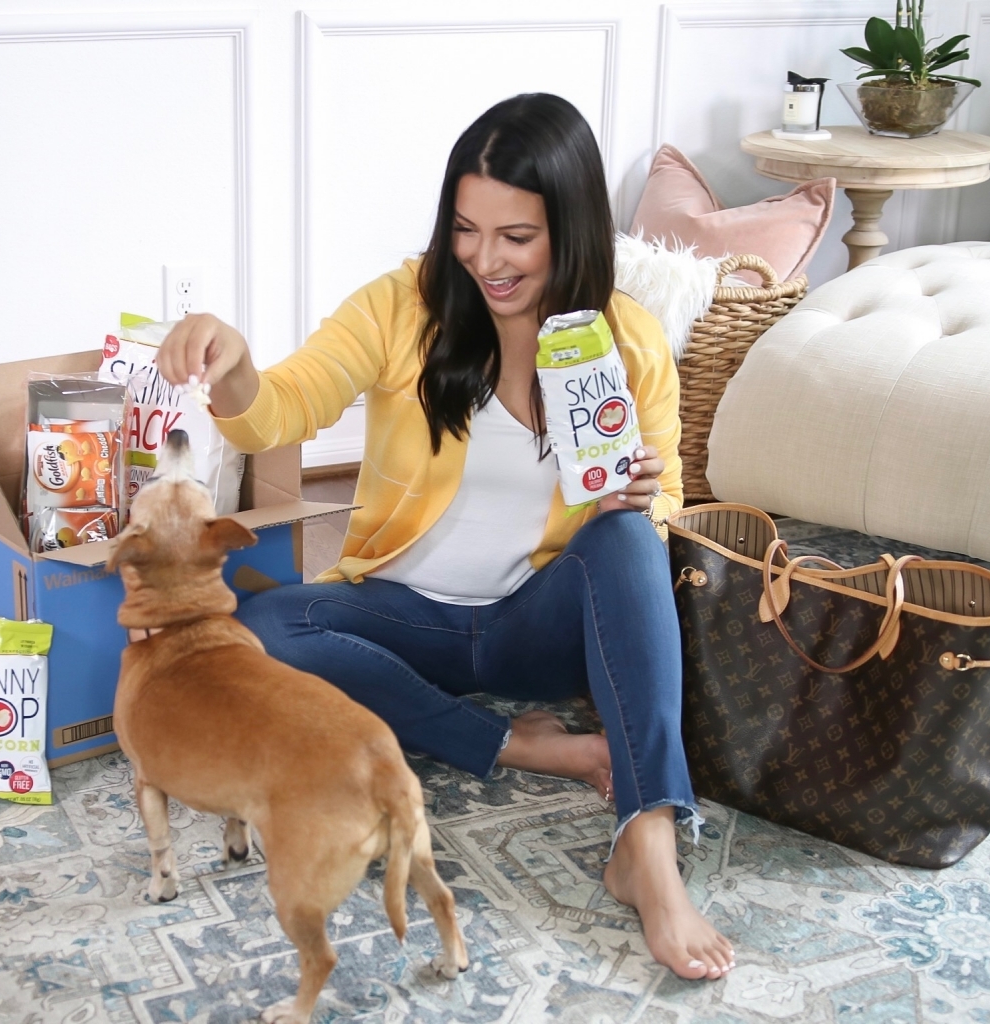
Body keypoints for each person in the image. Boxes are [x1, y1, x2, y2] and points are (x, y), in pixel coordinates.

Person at [155, 93, 735, 980]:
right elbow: (280, 409)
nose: (484, 259)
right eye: (466, 229)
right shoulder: (402, 306)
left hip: (532, 630)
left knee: (625, 542)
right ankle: (517, 745)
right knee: (266, 629)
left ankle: (647, 845)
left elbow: (662, 525)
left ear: (571, 229)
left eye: (517, 236)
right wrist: (233, 360)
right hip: (402, 618)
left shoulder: (629, 343)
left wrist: (644, 499)